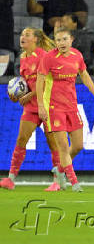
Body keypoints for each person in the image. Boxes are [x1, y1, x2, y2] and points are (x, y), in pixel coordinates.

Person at [36, 27, 94, 192]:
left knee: (78, 145)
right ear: (55, 42)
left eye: (64, 39)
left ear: (71, 40)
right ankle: (74, 182)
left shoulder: (77, 56)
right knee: (62, 146)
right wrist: (40, 105)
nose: (61, 43)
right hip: (54, 107)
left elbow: (85, 75)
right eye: (58, 40)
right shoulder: (48, 58)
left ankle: (60, 170)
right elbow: (40, 82)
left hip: (72, 106)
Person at [0, 27, 63, 191]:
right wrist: (17, 94)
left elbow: (48, 82)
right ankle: (11, 179)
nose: (22, 37)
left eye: (27, 35)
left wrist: (31, 94)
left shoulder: (44, 56)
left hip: (48, 105)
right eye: (21, 34)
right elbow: (25, 83)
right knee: (21, 140)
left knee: (53, 144)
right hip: (31, 107)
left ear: (35, 39)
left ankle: (57, 181)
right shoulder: (22, 58)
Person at [0, 0, 38, 72]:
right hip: (3, 12)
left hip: (4, 11)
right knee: (4, 47)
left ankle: (3, 72)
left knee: (4, 47)